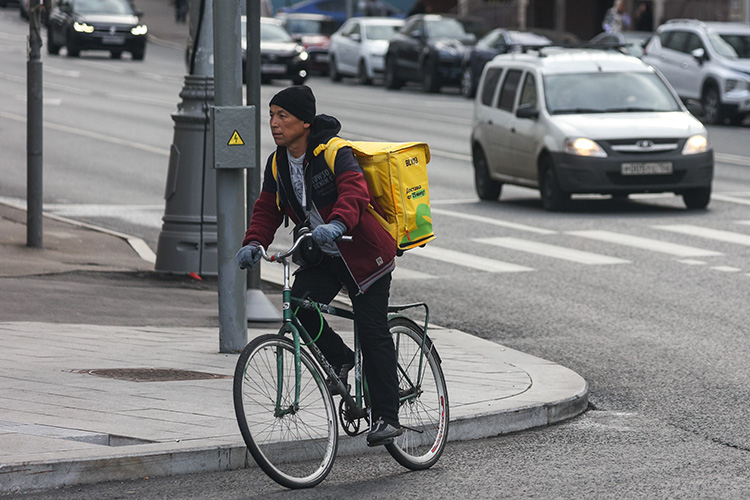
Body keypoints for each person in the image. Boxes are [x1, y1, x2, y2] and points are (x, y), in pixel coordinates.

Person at [235, 85, 403, 447]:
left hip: (362, 254)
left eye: (283, 116)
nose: (274, 123)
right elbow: (267, 207)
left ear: (306, 122)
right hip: (322, 255)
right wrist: (253, 241)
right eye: (271, 115)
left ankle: (388, 417)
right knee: (300, 307)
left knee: (373, 332)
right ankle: (341, 358)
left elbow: (353, 191)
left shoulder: (334, 152)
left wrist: (339, 223)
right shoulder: (278, 162)